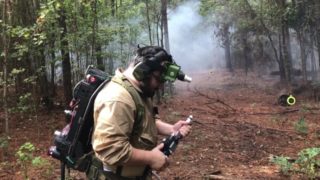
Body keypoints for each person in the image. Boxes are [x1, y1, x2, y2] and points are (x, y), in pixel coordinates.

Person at [90, 46, 191, 180]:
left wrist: (171, 129)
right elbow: (110, 150)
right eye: (159, 79)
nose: (161, 86)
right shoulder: (119, 99)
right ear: (143, 70)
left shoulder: (138, 91)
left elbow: (143, 120)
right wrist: (150, 158)